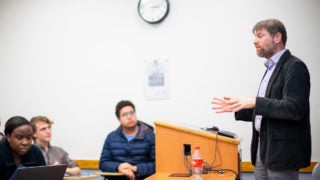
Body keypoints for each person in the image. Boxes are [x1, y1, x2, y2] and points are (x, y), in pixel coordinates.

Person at [211, 18, 311, 180]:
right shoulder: (271, 68)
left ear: (277, 38)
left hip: (282, 152)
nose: (254, 41)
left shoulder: (294, 66)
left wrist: (256, 101)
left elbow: (295, 109)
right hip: (262, 149)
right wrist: (238, 107)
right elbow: (269, 111)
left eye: (260, 35)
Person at [99, 100, 155, 180]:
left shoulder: (150, 136)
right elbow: (103, 163)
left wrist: (135, 168)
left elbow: (158, 164)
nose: (129, 117)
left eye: (131, 113)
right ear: (119, 119)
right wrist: (119, 167)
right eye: (125, 114)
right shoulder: (111, 137)